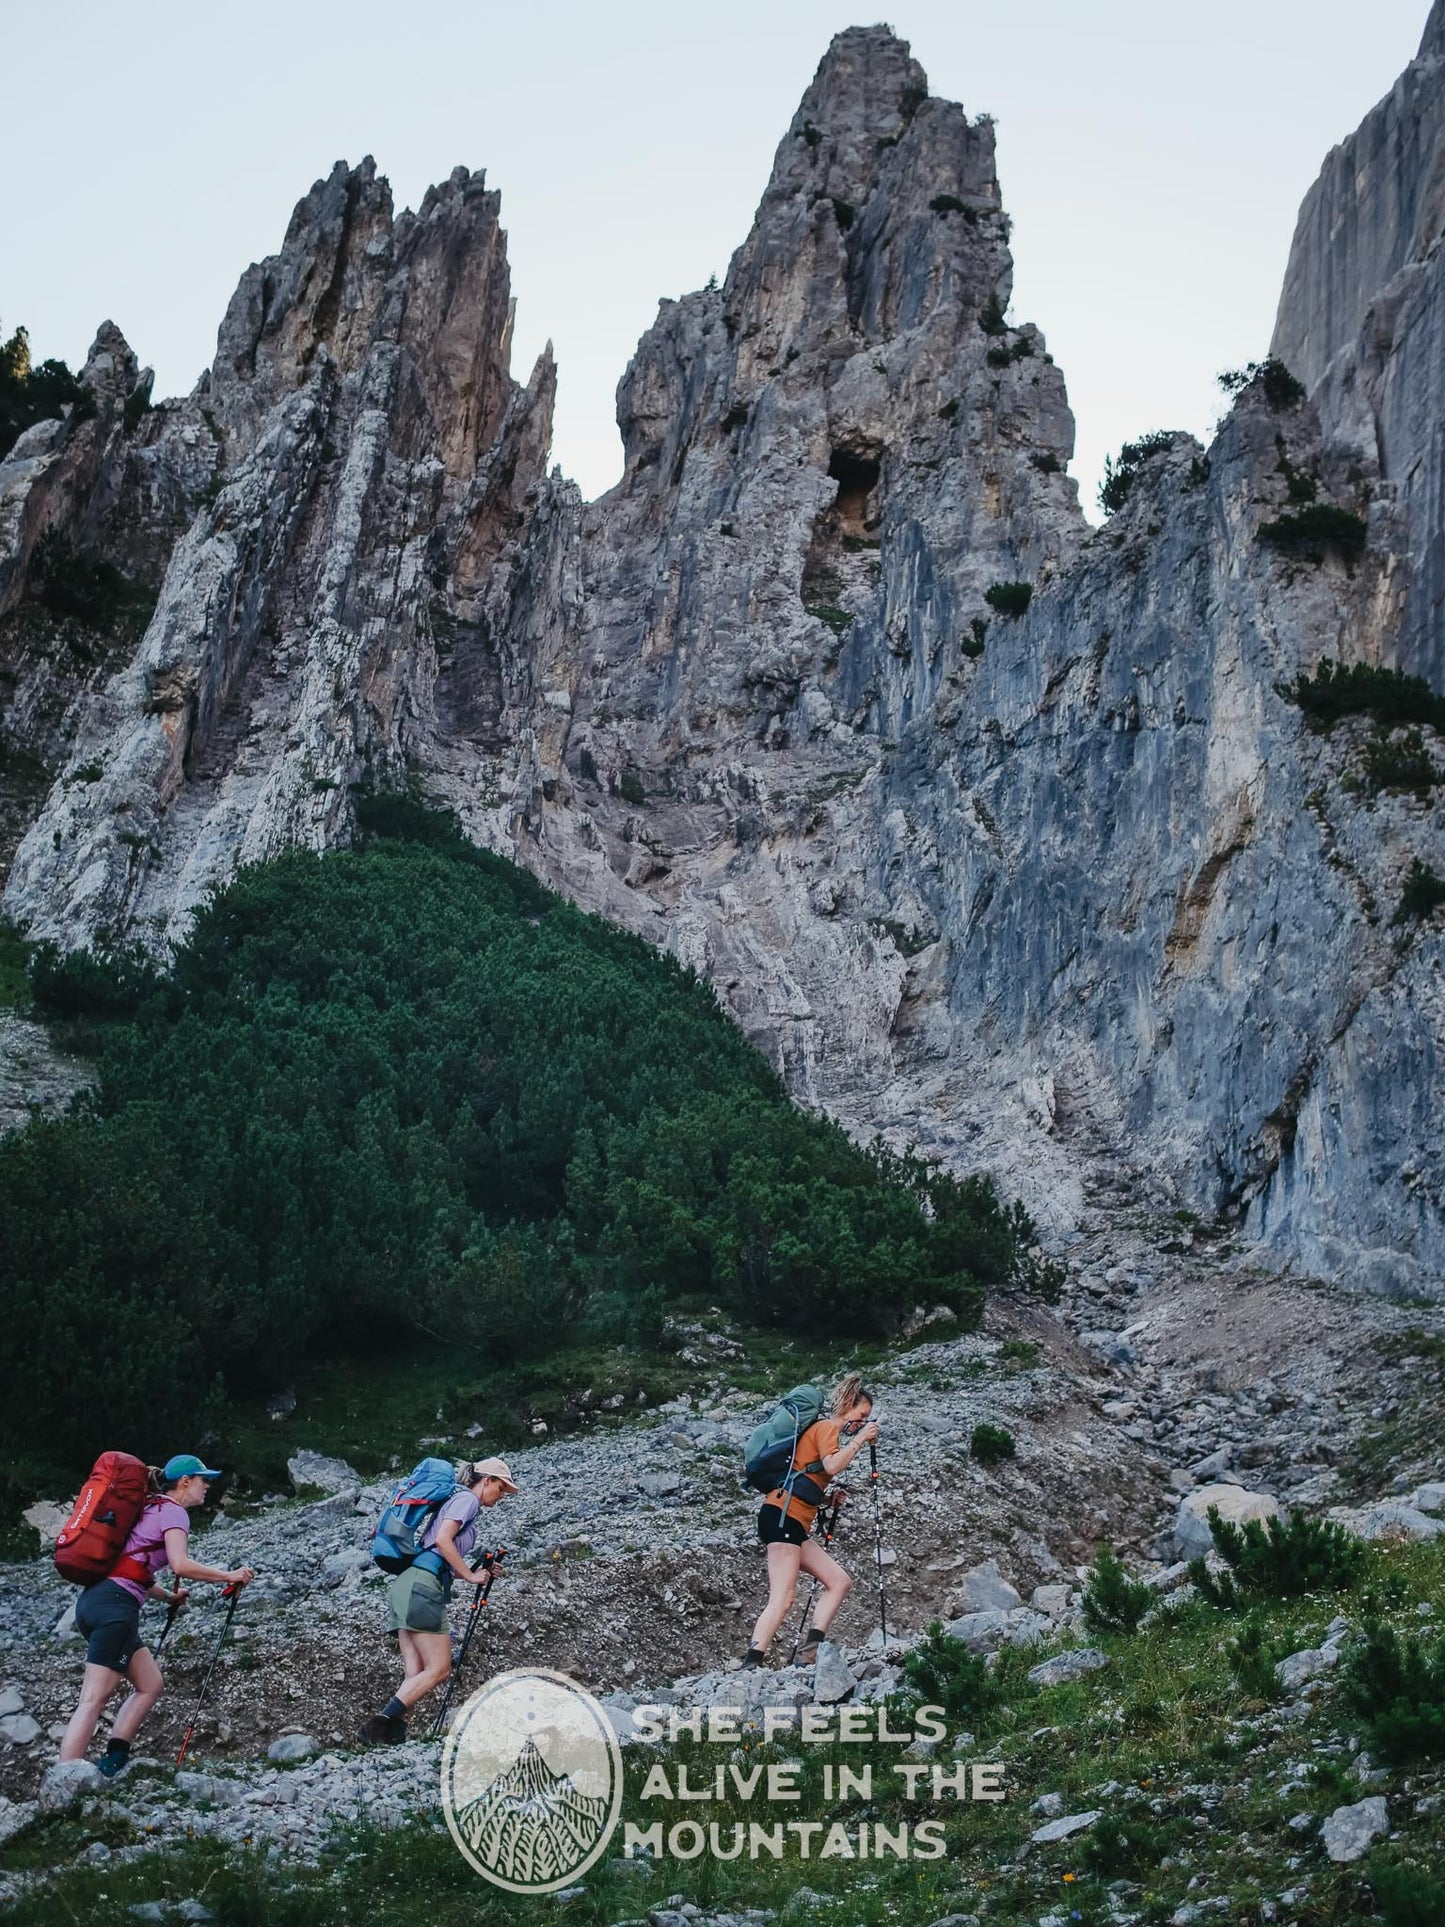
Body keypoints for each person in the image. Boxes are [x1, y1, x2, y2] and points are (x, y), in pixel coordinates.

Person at [59, 1454, 255, 1777]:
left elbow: (133, 1566)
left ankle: (114, 1759)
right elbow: (180, 1565)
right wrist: (228, 1575)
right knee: (93, 1699)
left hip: (95, 1602)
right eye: (203, 1479)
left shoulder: (150, 1506)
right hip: (117, 1609)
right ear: (185, 1482)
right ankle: (65, 1781)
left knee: (150, 1683)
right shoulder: (174, 1512)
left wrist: (168, 1596)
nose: (208, 1486)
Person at [361, 1456, 517, 1743]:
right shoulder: (467, 1500)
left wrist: (475, 1571)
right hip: (422, 1587)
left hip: (407, 1584)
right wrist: (471, 1577)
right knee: (440, 1668)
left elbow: (437, 1554)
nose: (502, 1496)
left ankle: (391, 1737)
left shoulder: (456, 1500)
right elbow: (444, 1541)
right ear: (487, 1481)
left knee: (417, 1672)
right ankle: (375, 1727)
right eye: (501, 1488)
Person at [742, 1373, 878, 1668]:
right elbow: (831, 1464)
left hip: (790, 1521)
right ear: (848, 1406)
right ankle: (752, 1661)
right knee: (784, 1596)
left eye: (867, 1419)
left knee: (839, 1581)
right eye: (862, 1415)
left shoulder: (821, 1431)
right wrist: (859, 1440)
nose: (864, 1422)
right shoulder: (827, 1427)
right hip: (782, 1518)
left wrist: (828, 1500)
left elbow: (806, 1476)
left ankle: (810, 1652)